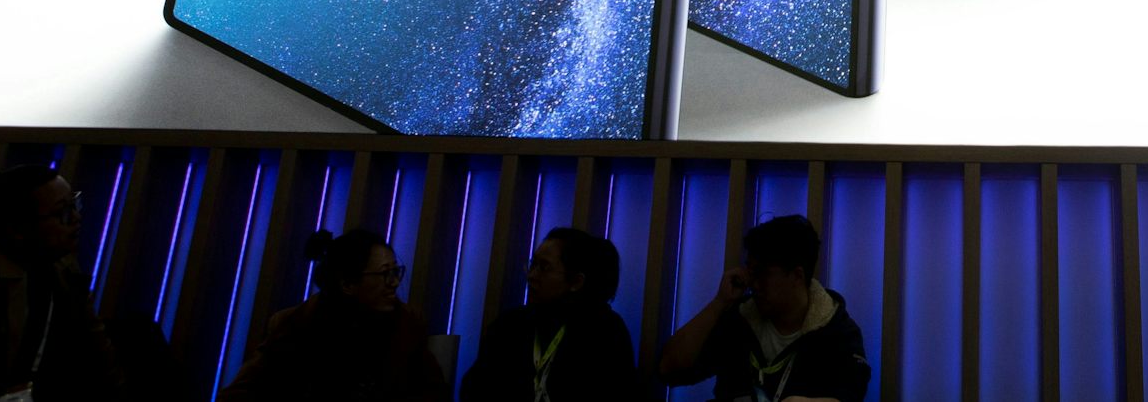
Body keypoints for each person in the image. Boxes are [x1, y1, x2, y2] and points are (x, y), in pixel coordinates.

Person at [0, 163, 124, 401]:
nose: (76, 218)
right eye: (62, 212)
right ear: (18, 228)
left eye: (75, 204)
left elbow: (97, 351)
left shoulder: (62, 266)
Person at [658, 214, 869, 402]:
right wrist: (719, 303)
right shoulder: (740, 319)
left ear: (797, 276)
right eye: (750, 271)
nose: (753, 283)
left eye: (762, 273)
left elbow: (852, 393)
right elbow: (669, 368)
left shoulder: (837, 332)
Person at [219, 227, 445, 401]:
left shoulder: (407, 324)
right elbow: (243, 391)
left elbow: (433, 392)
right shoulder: (295, 324)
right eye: (385, 274)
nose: (394, 282)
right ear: (347, 284)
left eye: (396, 271)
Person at [459, 226, 639, 401]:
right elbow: (474, 389)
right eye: (533, 265)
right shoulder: (511, 325)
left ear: (576, 282)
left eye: (544, 267)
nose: (531, 276)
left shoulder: (605, 331)